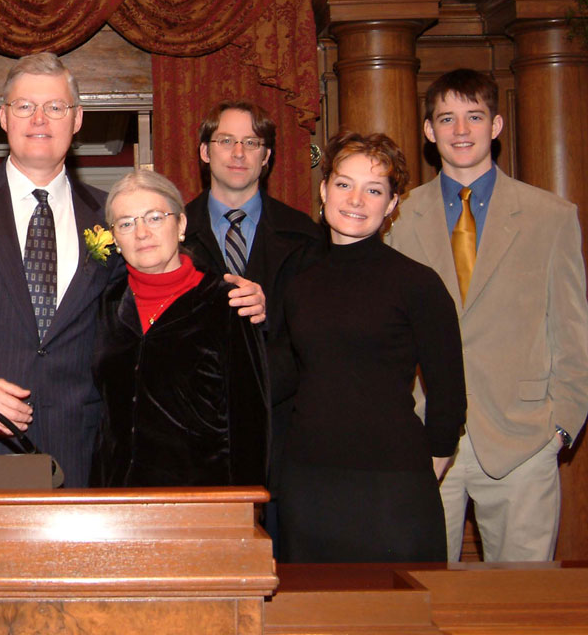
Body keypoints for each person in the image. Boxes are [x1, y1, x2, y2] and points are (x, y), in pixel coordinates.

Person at [0, 52, 266, 490]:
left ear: (77, 118)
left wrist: (232, 294)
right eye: (25, 106)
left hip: (74, 458)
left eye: (55, 107)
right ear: (4, 117)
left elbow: (161, 281)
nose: (39, 118)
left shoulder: (110, 216)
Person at [386, 69, 588, 562]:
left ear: (495, 125)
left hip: (523, 438)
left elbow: (572, 330)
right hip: (423, 439)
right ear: (429, 131)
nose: (461, 131)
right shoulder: (395, 216)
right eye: (447, 118)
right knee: (425, 595)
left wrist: (561, 425)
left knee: (522, 605)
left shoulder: (551, 216)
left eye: (474, 117)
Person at [278, 131, 465, 563]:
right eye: (344, 184)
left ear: (392, 205)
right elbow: (285, 375)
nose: (356, 200)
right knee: (315, 619)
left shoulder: (417, 283)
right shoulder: (299, 283)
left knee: (397, 623)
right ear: (324, 190)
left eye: (374, 189)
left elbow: (448, 392)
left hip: (394, 485)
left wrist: (429, 467)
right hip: (309, 481)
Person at [182, 101, 320, 542]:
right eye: (226, 140)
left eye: (251, 142)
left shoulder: (307, 237)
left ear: (267, 156)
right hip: (196, 440)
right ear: (206, 152)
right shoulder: (172, 234)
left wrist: (268, 319)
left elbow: (316, 347)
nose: (238, 152)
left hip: (282, 442)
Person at [91, 171, 269, 487]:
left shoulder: (228, 304)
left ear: (181, 225)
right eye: (127, 223)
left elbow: (250, 421)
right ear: (115, 238)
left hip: (202, 502)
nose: (142, 232)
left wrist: (246, 506)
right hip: (115, 502)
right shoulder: (106, 304)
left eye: (155, 217)